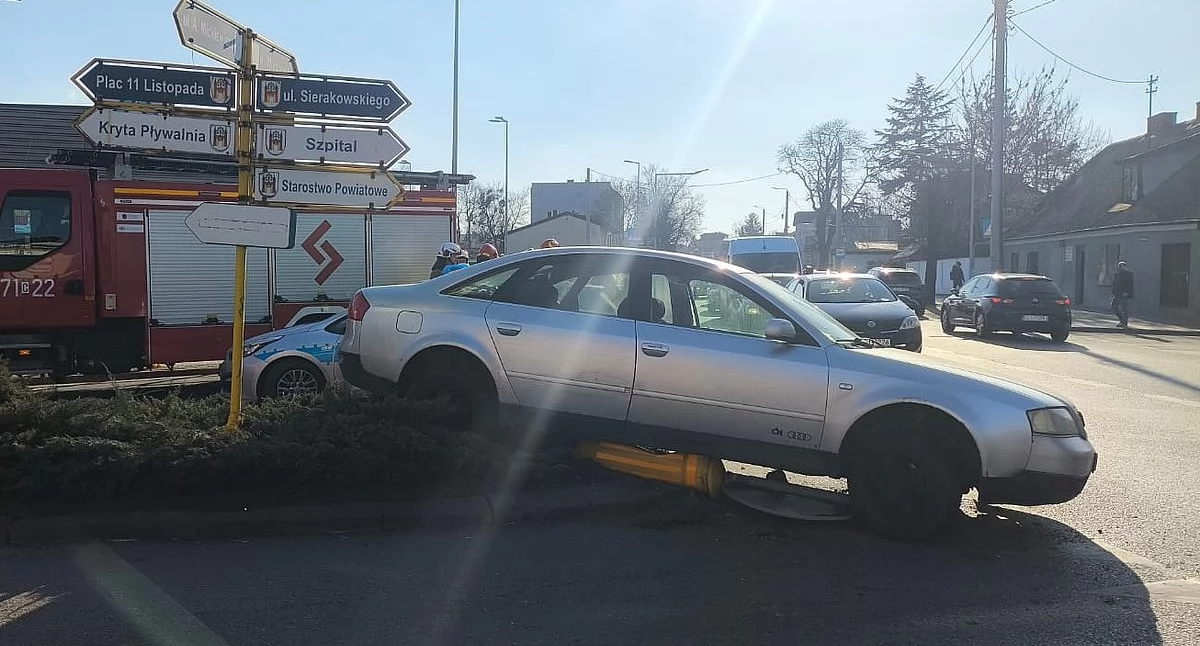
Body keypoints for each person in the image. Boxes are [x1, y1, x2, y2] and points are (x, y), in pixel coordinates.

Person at [1111, 260, 1134, 328]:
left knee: (1124, 309)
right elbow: (1114, 283)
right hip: (1117, 293)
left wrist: (1128, 292)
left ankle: (1124, 323)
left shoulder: (1129, 274)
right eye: (1119, 266)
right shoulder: (1117, 274)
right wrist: (1113, 292)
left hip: (1124, 294)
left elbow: (1130, 284)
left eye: (1121, 266)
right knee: (1114, 306)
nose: (1120, 268)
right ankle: (1121, 320)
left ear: (1125, 266)